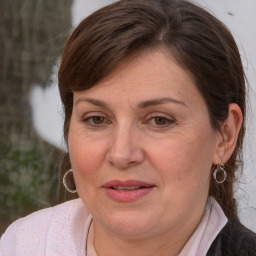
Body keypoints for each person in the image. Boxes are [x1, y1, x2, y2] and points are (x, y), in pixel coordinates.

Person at [1, 0, 256, 255]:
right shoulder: (23, 244)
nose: (121, 154)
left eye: (160, 120)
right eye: (96, 119)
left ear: (225, 136)